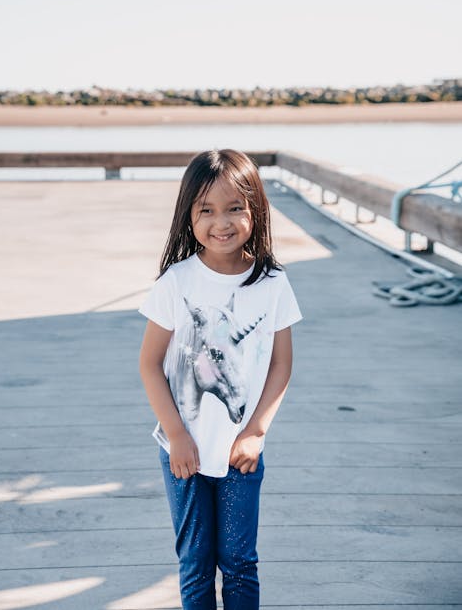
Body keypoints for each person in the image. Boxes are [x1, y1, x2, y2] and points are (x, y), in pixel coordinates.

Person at [138, 148, 303, 610]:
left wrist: (255, 432)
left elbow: (281, 365)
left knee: (239, 563)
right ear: (188, 215)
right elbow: (150, 364)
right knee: (194, 563)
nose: (221, 222)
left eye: (235, 208)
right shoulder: (176, 282)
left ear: (256, 210)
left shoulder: (272, 283)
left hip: (240, 453)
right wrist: (176, 435)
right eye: (206, 210)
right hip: (183, 451)